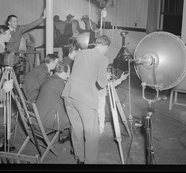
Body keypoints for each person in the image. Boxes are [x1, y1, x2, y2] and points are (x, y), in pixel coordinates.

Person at [62, 35, 111, 164]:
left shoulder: (81, 53)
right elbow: (101, 84)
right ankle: (90, 162)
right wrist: (106, 76)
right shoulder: (102, 58)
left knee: (77, 128)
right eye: (107, 49)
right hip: (84, 99)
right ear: (105, 46)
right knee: (92, 134)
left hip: (68, 95)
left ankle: (80, 157)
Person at [35, 61, 70, 142]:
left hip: (38, 116)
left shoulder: (51, 78)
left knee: (62, 106)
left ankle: (63, 136)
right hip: (46, 120)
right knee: (74, 116)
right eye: (68, 73)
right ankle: (74, 144)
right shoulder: (59, 82)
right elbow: (69, 97)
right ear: (64, 72)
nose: (69, 75)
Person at [98, 66, 129, 134]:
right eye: (107, 72)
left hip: (100, 97)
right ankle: (100, 130)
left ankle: (101, 128)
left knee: (101, 114)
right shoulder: (97, 80)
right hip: (98, 99)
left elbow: (110, 85)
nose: (109, 74)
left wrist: (121, 79)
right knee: (100, 114)